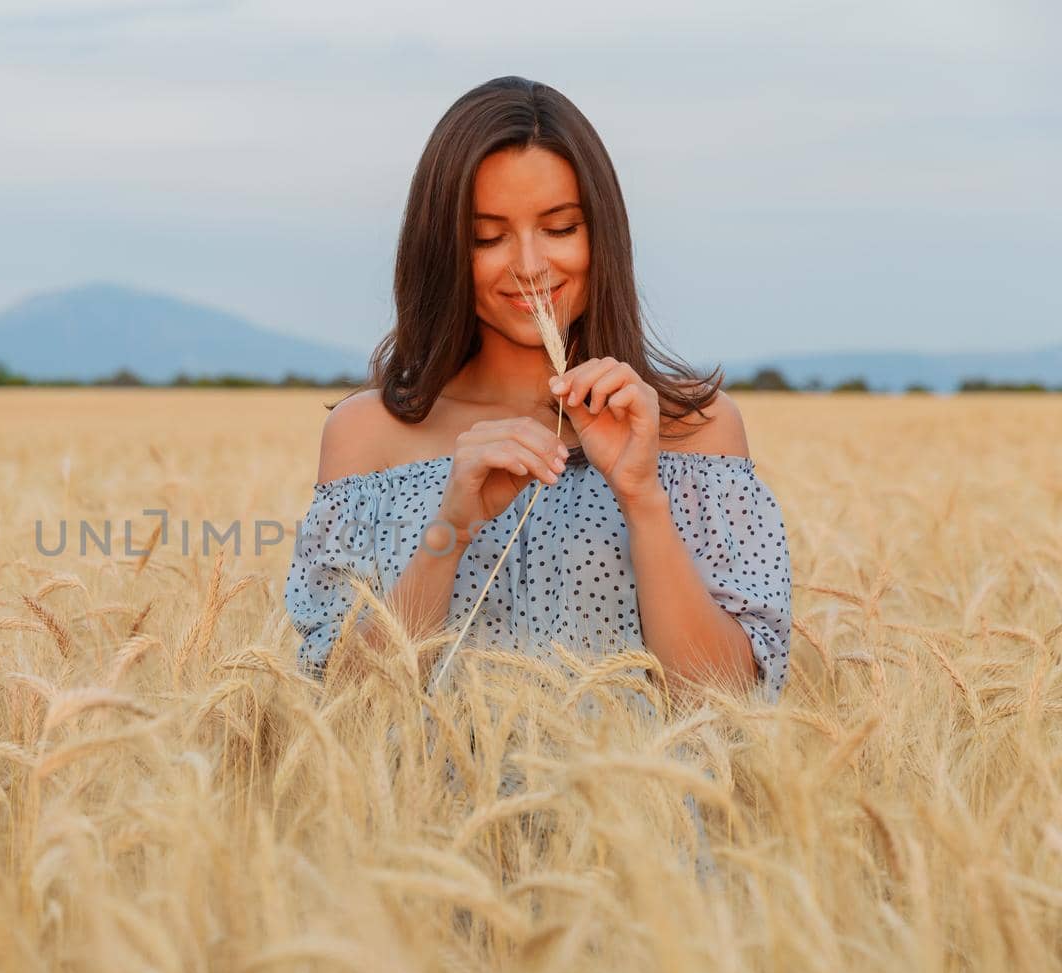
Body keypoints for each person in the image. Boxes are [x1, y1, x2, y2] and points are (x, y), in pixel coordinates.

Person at [283, 76, 793, 709]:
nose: (529, 264)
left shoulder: (696, 428)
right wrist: (451, 529)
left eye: (559, 227)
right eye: (487, 237)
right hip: (432, 810)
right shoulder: (369, 436)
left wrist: (642, 497)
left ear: (600, 233)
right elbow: (339, 708)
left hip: (629, 808)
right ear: (443, 249)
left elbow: (731, 703)